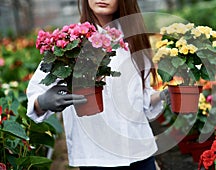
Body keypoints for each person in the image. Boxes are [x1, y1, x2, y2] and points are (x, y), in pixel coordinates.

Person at [26, 0, 170, 169]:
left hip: (139, 151)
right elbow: (35, 95)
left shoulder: (134, 41)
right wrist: (42, 102)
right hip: (96, 156)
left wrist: (163, 95)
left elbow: (142, 100)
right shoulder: (69, 41)